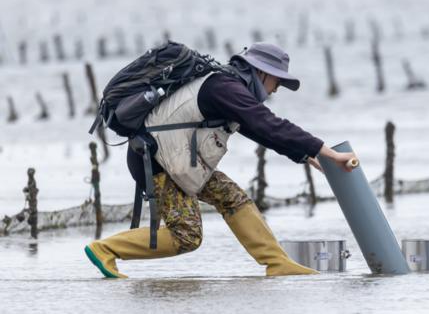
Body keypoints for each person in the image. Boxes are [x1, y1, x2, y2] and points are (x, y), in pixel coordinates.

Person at [85, 42, 357, 278]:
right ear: (261, 72)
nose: (275, 90)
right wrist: (330, 152)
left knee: (232, 197)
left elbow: (264, 132)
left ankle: (278, 263)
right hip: (157, 162)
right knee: (186, 235)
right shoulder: (224, 87)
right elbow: (268, 123)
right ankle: (105, 249)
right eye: (277, 82)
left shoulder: (228, 87)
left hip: (177, 161)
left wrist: (310, 157)